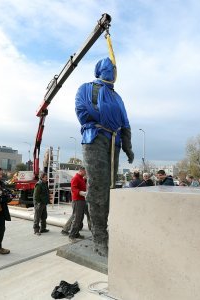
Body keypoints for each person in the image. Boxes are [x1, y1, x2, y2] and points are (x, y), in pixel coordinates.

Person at [75, 57, 134, 256]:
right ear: (101, 70)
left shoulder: (117, 97)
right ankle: (99, 235)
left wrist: (127, 146)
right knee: (98, 186)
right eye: (110, 69)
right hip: (94, 138)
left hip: (113, 142)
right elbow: (82, 110)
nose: (113, 72)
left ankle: (105, 229)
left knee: (110, 187)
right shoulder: (86, 88)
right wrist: (105, 117)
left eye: (115, 69)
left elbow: (125, 122)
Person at [68, 166, 87, 242]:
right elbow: (73, 188)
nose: (86, 173)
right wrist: (80, 192)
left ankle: (76, 233)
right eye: (85, 171)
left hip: (81, 200)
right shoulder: (76, 178)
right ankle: (71, 236)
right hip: (77, 200)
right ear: (81, 171)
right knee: (76, 219)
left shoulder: (81, 178)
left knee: (80, 218)